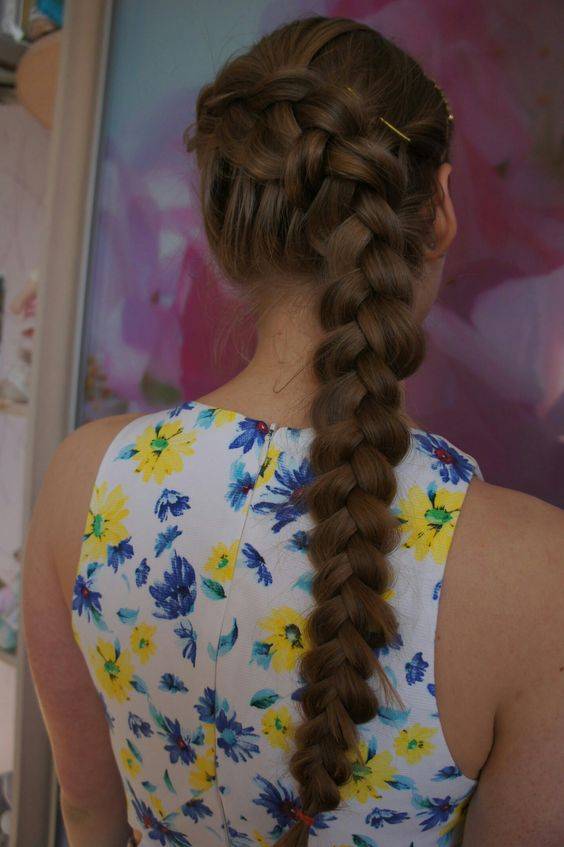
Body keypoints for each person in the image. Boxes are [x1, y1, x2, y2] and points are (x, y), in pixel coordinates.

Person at [22, 14, 564, 847]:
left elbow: (89, 813)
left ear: (224, 228)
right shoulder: (535, 579)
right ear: (440, 210)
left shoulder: (83, 480)